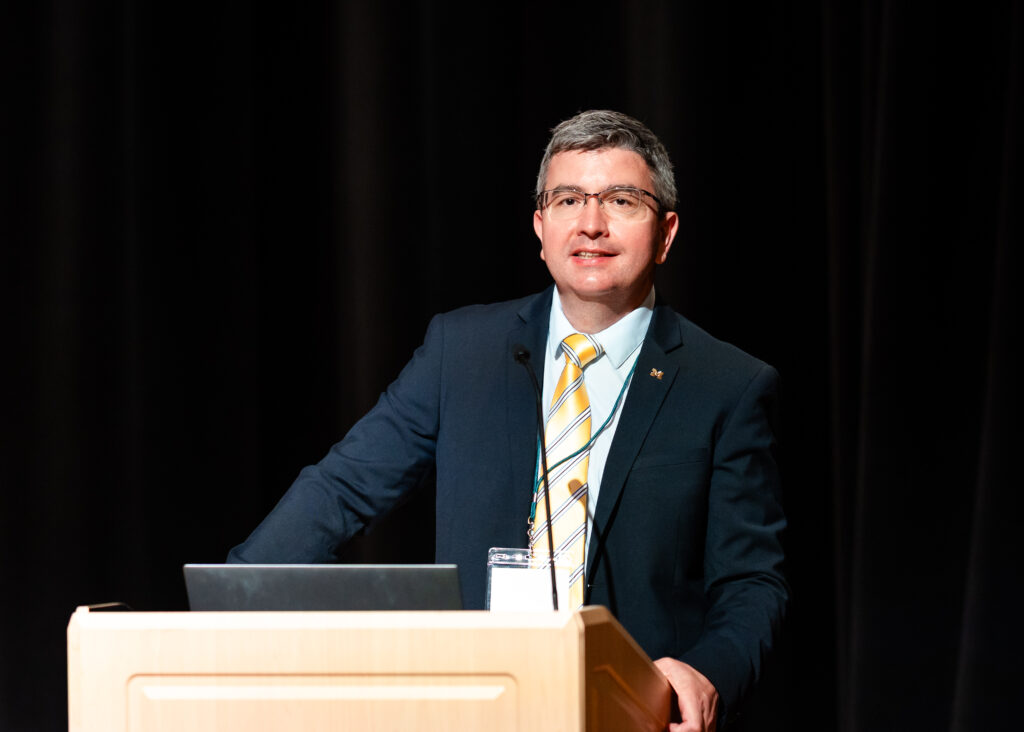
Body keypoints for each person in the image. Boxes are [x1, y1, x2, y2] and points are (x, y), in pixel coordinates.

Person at [228, 109, 787, 731]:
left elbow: (751, 580)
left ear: (666, 232)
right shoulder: (461, 351)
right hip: (476, 703)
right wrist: (230, 602)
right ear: (540, 226)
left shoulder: (727, 384)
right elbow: (343, 489)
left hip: (632, 709)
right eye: (569, 199)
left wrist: (708, 671)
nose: (592, 224)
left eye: (622, 200)